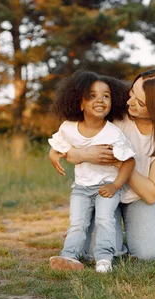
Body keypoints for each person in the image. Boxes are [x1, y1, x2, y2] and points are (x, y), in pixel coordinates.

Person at [49, 69, 155, 261]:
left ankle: (153, 229)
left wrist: (120, 162)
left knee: (150, 254)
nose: (129, 102)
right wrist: (78, 153)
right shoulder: (114, 111)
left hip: (138, 197)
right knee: (94, 254)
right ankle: (98, 232)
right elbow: (72, 147)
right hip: (101, 191)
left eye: (140, 102)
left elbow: (151, 194)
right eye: (132, 93)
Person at [48, 70, 136, 273]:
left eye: (106, 96)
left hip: (105, 187)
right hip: (81, 188)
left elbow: (129, 161)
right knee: (77, 223)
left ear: (112, 103)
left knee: (105, 220)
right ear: (80, 103)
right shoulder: (68, 127)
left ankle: (104, 259)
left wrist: (115, 185)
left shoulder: (113, 133)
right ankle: (68, 257)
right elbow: (57, 146)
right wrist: (53, 156)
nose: (100, 100)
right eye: (92, 96)